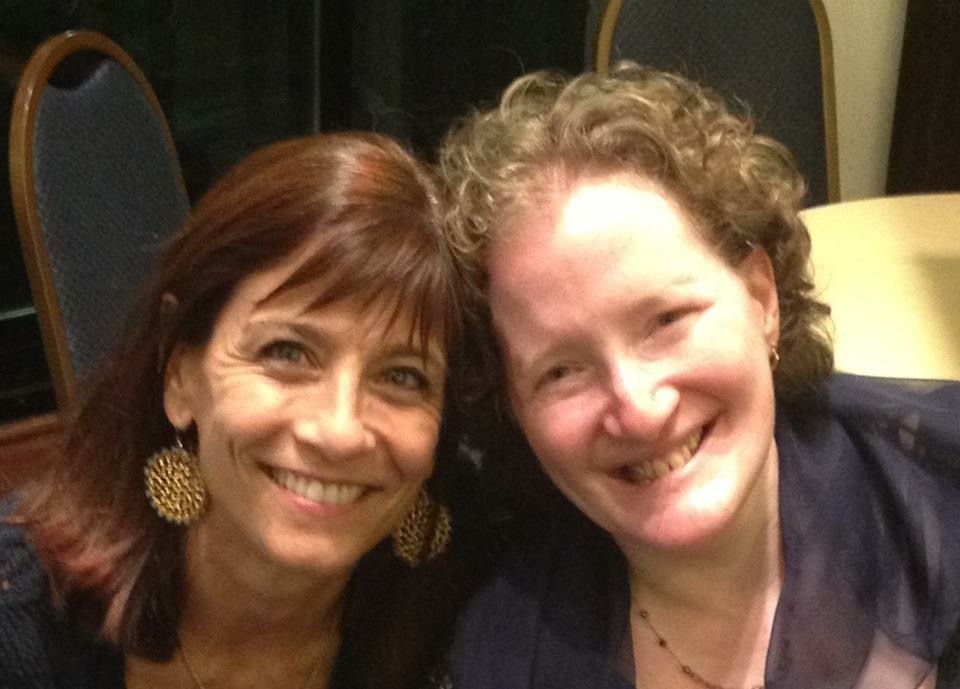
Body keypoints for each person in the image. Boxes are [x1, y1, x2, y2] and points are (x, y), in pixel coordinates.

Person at [437, 62, 960, 689]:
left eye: (666, 320)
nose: (639, 409)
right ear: (513, 408)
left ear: (762, 299)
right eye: (561, 371)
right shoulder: (497, 655)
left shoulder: (942, 503)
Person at [0, 132, 488, 689]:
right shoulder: (20, 625)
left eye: (402, 377)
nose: (339, 431)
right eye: (287, 353)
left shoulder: (472, 623)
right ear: (179, 374)